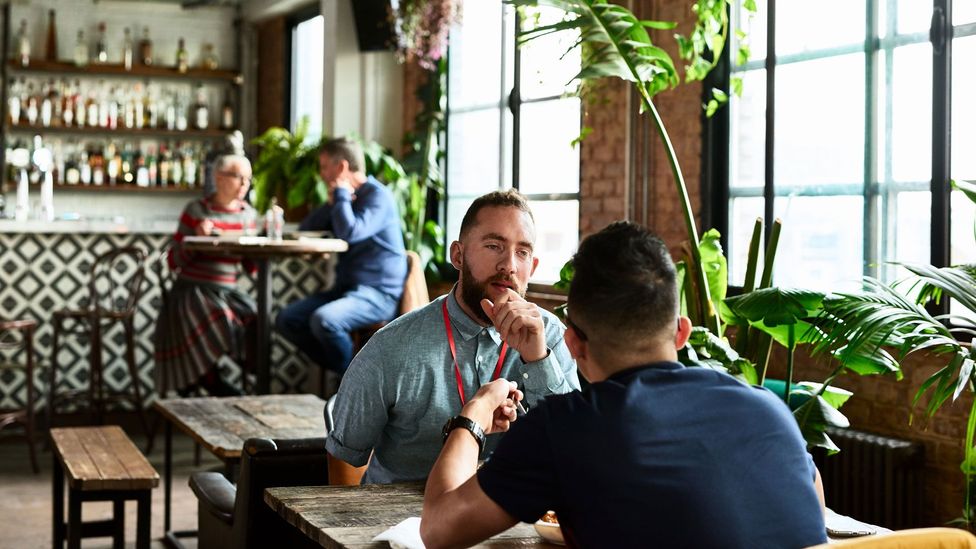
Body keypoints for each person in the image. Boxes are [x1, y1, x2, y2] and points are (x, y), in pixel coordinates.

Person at [420, 221, 828, 549]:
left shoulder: (564, 429)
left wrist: (472, 416)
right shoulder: (771, 410)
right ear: (682, 332)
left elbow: (438, 531)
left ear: (573, 343)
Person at [326, 190, 580, 484]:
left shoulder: (550, 337)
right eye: (494, 246)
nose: (509, 265)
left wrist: (538, 360)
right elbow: (344, 458)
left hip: (511, 518)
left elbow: (573, 449)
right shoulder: (391, 348)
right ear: (458, 255)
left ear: (532, 267)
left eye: (522, 252)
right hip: (405, 521)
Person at [275, 137, 406, 375]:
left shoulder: (378, 196)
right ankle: (350, 374)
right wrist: (332, 203)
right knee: (287, 319)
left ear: (342, 167)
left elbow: (351, 232)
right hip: (346, 290)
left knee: (325, 320)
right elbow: (307, 228)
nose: (321, 173)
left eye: (325, 166)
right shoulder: (344, 199)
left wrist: (343, 197)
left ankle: (352, 383)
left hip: (378, 294)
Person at [154, 154, 258, 396]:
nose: (244, 184)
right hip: (192, 290)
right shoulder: (196, 210)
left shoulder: (248, 216)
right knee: (220, 316)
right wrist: (197, 240)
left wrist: (253, 247)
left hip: (228, 290)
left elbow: (251, 268)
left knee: (256, 317)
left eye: (248, 179)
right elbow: (174, 261)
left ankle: (251, 381)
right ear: (218, 178)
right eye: (238, 177)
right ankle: (208, 377)